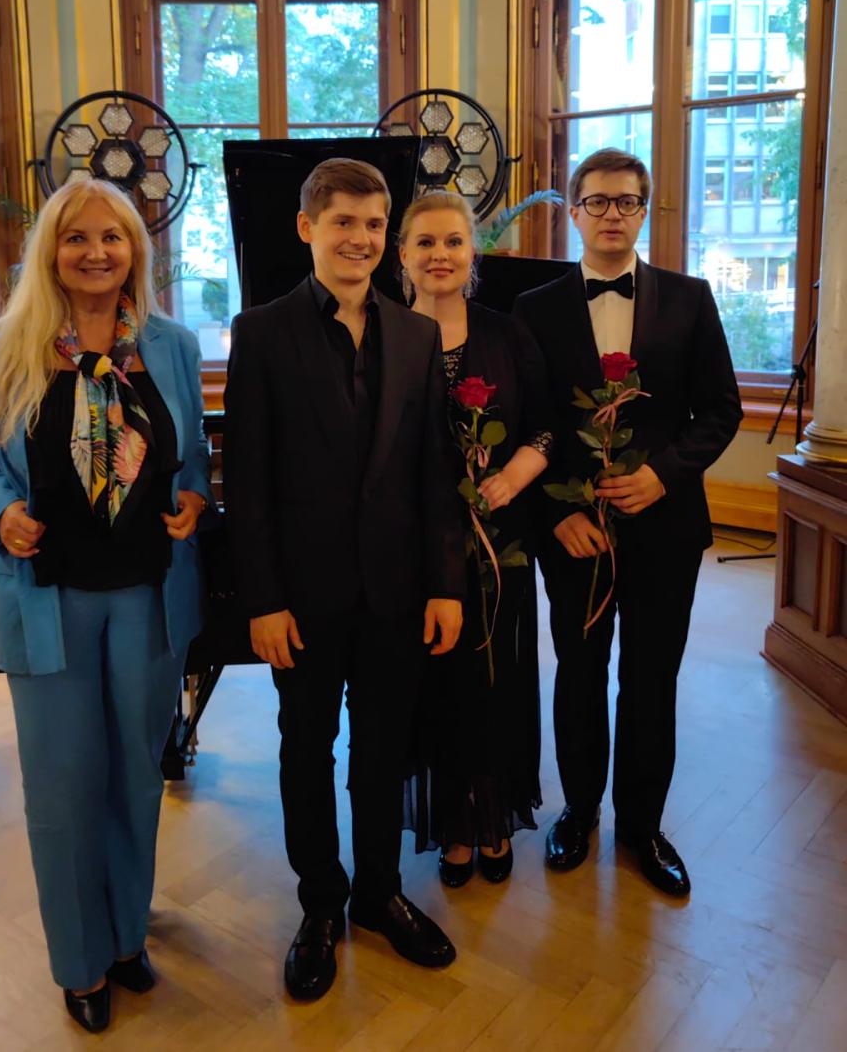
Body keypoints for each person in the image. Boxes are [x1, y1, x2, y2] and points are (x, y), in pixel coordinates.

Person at [0, 174, 211, 1034]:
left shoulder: (171, 344)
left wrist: (194, 494)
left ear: (135, 249)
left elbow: (191, 450)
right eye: (77, 237)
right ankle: (79, 960)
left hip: (148, 597)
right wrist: (1, 510)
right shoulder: (7, 346)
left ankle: (126, 934)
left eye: (113, 236)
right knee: (64, 786)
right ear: (51, 251)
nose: (97, 252)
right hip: (48, 598)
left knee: (136, 777)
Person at [223, 158, 466, 1002]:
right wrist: (262, 599)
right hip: (302, 596)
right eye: (343, 222)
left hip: (397, 592)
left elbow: (435, 472)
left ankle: (379, 892)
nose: (360, 238)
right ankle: (320, 902)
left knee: (383, 750)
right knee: (306, 748)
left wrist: (445, 583)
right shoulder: (261, 332)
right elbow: (247, 479)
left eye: (373, 224)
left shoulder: (416, 334)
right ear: (307, 228)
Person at [514, 148, 741, 897]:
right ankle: (578, 811)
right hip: (575, 533)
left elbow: (721, 411)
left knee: (651, 678)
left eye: (627, 201)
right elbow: (530, 424)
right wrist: (556, 516)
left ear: (644, 211)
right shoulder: (534, 309)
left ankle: (642, 826)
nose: (612, 214)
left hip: (665, 527)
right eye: (598, 201)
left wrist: (661, 474)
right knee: (578, 673)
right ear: (573, 212)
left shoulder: (691, 298)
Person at [398, 191, 551, 887]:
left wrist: (516, 472)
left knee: (495, 684)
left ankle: (493, 818)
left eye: (453, 241)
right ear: (402, 254)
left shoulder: (507, 333)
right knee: (434, 688)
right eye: (426, 242)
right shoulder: (383, 334)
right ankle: (453, 828)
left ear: (472, 253)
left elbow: (545, 426)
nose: (440, 255)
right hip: (414, 551)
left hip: (500, 544)